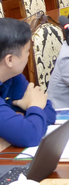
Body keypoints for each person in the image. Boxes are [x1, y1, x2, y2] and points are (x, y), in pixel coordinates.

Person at [0, 18, 56, 147]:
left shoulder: (12, 76)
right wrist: (34, 106)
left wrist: (31, 113)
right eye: (27, 51)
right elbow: (30, 136)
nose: (28, 56)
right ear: (10, 59)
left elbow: (49, 112)